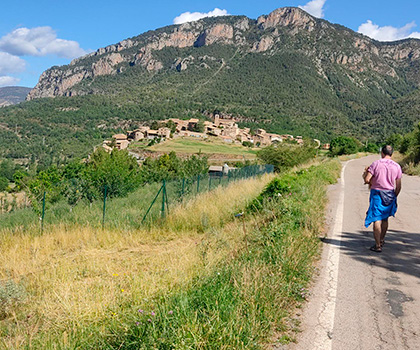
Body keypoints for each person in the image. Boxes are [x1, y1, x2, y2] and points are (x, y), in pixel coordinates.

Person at [363, 145, 402, 252]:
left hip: (377, 194)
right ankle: (382, 239)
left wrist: (368, 176)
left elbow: (367, 179)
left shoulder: (376, 164)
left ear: (382, 153)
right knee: (385, 218)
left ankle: (377, 245)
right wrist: (394, 196)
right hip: (390, 194)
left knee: (377, 218)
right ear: (391, 153)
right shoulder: (397, 166)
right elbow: (398, 186)